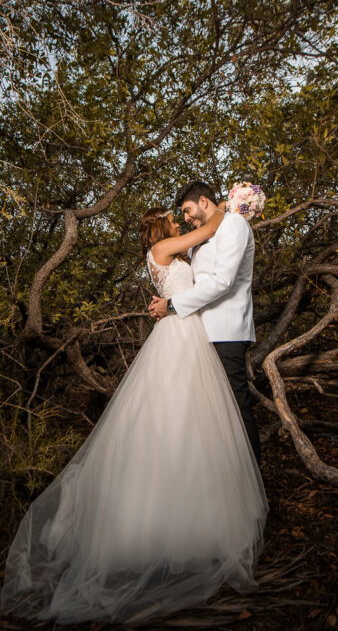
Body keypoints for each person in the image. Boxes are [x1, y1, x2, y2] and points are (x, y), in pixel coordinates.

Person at [0, 206, 267, 625]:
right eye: (175, 220)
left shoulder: (168, 256)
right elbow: (210, 228)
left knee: (187, 423)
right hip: (179, 337)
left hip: (186, 332)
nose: (181, 224)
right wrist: (234, 207)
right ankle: (163, 528)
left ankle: (189, 518)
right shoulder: (164, 248)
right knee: (171, 418)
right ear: (162, 230)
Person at [148, 180, 261, 464]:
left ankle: (252, 481)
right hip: (200, 336)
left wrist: (172, 305)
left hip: (226, 332)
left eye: (186, 211)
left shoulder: (234, 225)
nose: (185, 219)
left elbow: (223, 282)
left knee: (236, 408)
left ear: (202, 201)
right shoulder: (203, 236)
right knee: (211, 416)